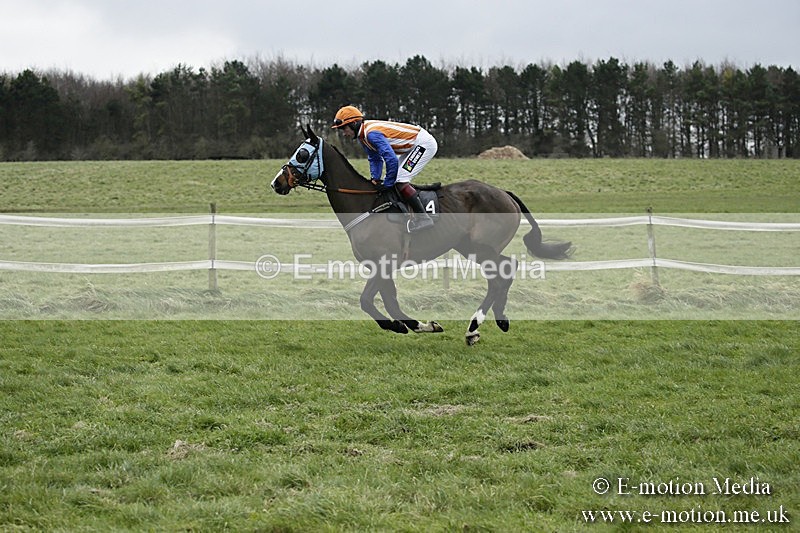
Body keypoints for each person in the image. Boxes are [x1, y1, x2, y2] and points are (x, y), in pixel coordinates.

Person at [332, 105, 436, 232]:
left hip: (423, 144)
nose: (344, 133)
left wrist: (387, 183)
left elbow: (391, 159)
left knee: (400, 179)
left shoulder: (371, 135)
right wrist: (375, 179)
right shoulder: (363, 136)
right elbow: (375, 158)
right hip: (411, 146)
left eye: (344, 128)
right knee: (396, 179)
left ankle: (423, 218)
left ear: (354, 123)